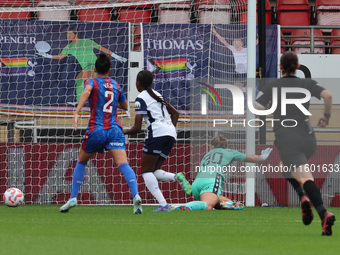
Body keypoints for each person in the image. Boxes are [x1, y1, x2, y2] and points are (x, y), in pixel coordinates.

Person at [255, 51, 335, 236]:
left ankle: (324, 214)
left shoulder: (273, 86)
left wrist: (271, 109)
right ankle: (303, 197)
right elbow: (328, 95)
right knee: (285, 167)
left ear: (280, 67)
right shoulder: (306, 83)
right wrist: (327, 116)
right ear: (298, 67)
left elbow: (257, 109)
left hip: (287, 137)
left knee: (305, 176)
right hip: (308, 137)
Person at [60, 53, 142, 214]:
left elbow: (87, 90)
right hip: (114, 130)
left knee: (81, 161)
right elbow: (125, 106)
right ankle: (136, 195)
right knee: (123, 164)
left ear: (95, 69)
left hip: (97, 130)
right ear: (109, 70)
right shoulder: (116, 85)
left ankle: (73, 197)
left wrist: (77, 112)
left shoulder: (91, 82)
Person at [123, 70, 191, 212]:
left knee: (146, 171)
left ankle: (164, 205)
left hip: (157, 134)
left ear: (137, 82)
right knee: (154, 170)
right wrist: (169, 129)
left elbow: (136, 128)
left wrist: (123, 131)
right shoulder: (158, 95)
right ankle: (175, 177)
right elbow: (176, 113)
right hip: (171, 134)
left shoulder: (140, 98)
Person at [175, 135, 272, 211]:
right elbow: (252, 158)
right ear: (225, 146)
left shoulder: (206, 155)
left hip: (197, 183)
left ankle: (228, 203)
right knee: (208, 205)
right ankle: (186, 207)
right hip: (211, 181)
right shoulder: (229, 152)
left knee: (221, 201)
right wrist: (262, 157)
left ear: (211, 146)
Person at [37, 26, 127, 103]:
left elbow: (102, 49)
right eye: (67, 34)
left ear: (75, 34)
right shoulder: (69, 47)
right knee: (84, 81)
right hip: (88, 67)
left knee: (84, 80)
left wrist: (118, 57)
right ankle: (81, 100)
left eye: (69, 33)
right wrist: (47, 56)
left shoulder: (87, 42)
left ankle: (82, 100)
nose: (67, 35)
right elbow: (60, 56)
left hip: (95, 65)